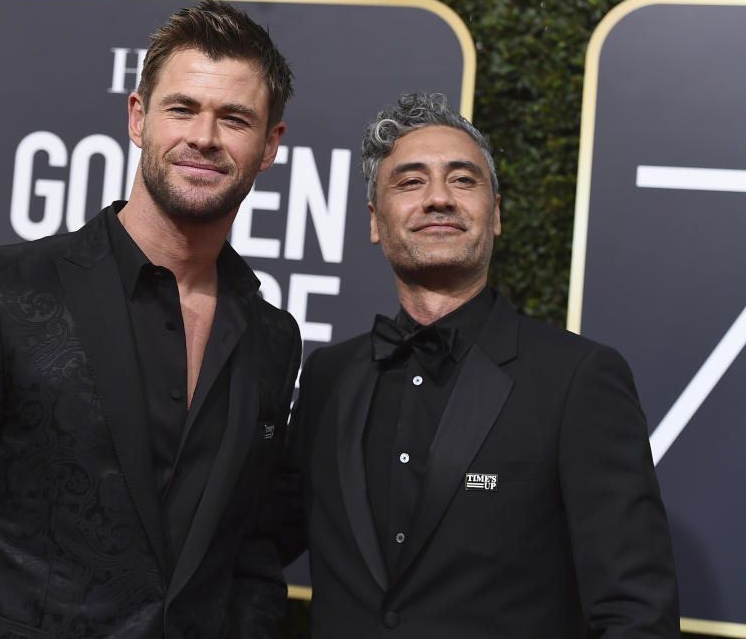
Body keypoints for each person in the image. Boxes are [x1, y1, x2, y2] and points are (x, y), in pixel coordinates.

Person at [0, 0, 300, 638]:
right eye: (182, 108)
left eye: (235, 118)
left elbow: (250, 551)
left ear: (268, 147)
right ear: (138, 118)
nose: (204, 136)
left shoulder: (272, 337)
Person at [280, 92, 679, 637]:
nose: (438, 198)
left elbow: (636, 612)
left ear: (495, 216)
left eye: (463, 180)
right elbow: (254, 541)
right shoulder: (328, 378)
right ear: (375, 221)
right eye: (410, 181)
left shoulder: (579, 380)